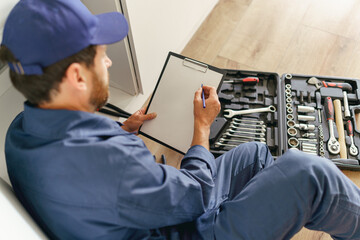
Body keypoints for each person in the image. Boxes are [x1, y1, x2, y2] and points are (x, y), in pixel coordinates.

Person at [1, 0, 359, 239]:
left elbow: (95, 176)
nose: (108, 63)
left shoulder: (19, 131)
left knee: (254, 156)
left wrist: (120, 128)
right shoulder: (114, 163)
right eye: (102, 56)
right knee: (310, 175)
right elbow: (197, 196)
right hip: (176, 228)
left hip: (138, 214)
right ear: (77, 77)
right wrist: (201, 129)